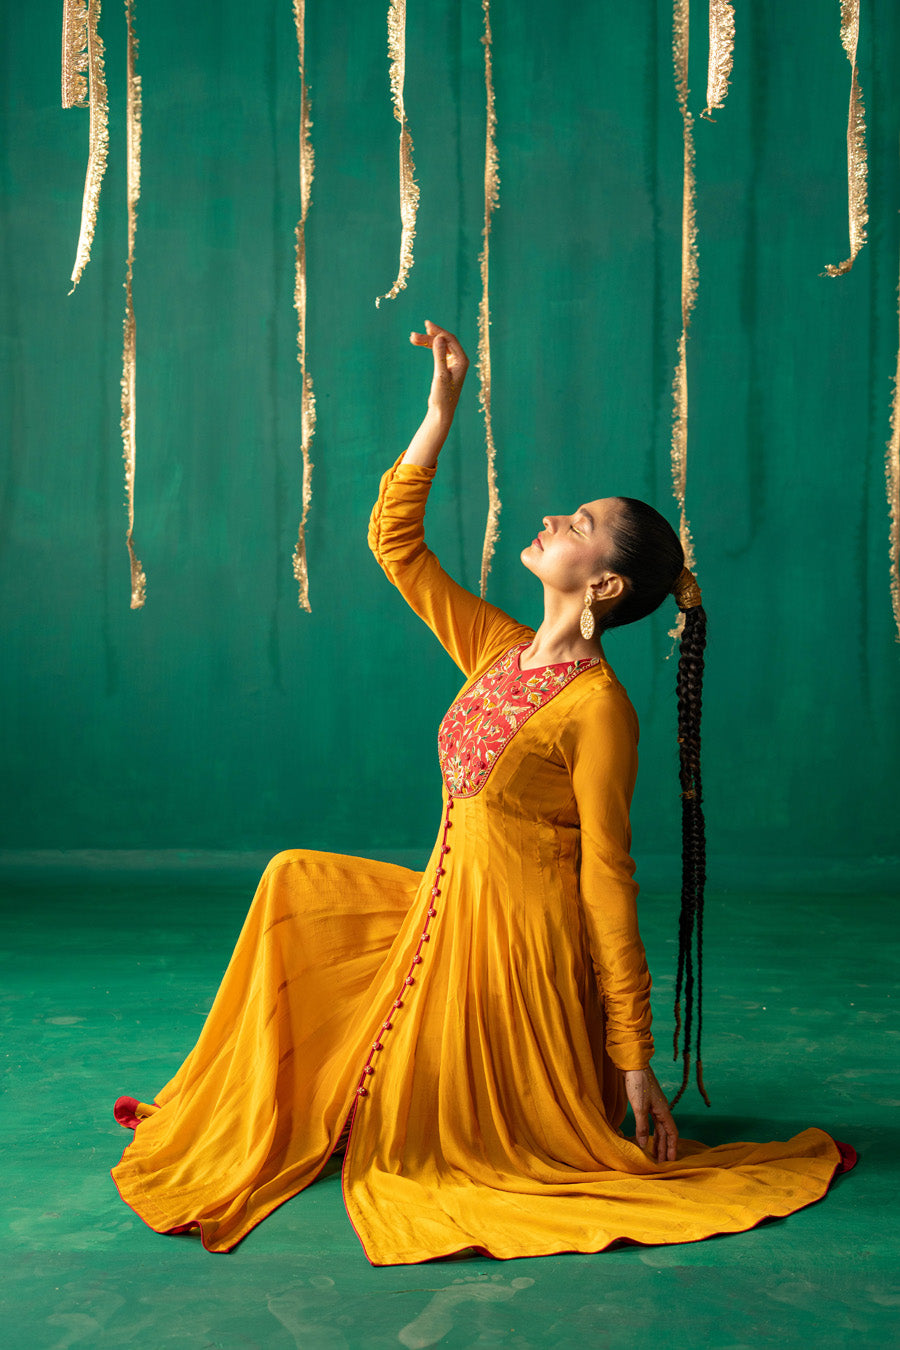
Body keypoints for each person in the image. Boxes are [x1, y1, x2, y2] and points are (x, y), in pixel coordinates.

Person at [111, 322, 854, 1265]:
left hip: (517, 959)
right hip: (445, 912)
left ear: (606, 581)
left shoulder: (598, 711)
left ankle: (540, 1091)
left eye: (575, 525)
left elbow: (608, 882)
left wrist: (634, 1063)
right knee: (296, 880)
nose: (552, 520)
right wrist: (440, 409)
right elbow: (395, 543)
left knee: (430, 1152)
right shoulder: (501, 651)